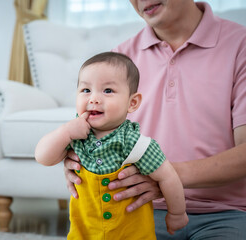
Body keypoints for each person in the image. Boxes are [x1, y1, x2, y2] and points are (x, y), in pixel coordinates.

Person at [64, 1, 246, 239]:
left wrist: (163, 174)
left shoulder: (239, 44)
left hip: (226, 213)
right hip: (137, 209)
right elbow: (92, 131)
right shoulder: (121, 58)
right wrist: (76, 160)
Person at [35, 52, 188, 239]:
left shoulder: (134, 142)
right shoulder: (74, 133)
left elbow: (168, 177)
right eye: (86, 90)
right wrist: (65, 132)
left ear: (132, 103)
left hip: (131, 232)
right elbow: (43, 157)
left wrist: (177, 213)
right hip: (85, 231)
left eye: (107, 91)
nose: (93, 99)